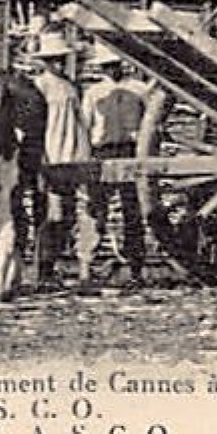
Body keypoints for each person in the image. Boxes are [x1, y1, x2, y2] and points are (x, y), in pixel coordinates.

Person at [79, 44, 150, 288]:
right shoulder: (93, 93)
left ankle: (136, 267)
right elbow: (86, 127)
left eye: (115, 64)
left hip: (131, 152)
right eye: (107, 65)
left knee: (134, 210)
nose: (112, 69)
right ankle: (86, 266)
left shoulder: (139, 90)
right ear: (100, 67)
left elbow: (151, 124)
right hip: (102, 153)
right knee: (96, 210)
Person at [28, 29, 94, 289]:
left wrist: (85, 152)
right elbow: (33, 125)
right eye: (53, 59)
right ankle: (43, 268)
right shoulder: (38, 86)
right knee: (49, 214)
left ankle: (53, 264)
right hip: (50, 154)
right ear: (44, 61)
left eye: (60, 58)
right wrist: (40, 155)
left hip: (72, 154)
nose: (57, 63)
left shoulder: (71, 86)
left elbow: (81, 122)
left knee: (67, 213)